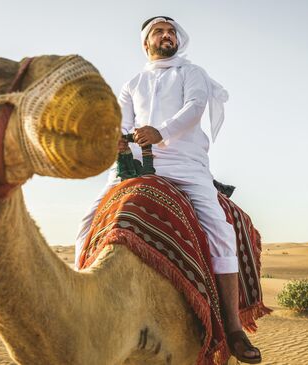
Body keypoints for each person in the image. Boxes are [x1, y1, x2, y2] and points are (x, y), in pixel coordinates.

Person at [74, 16, 261, 363]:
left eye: (171, 31)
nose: (167, 36)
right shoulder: (132, 83)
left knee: (221, 229)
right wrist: (120, 141)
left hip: (186, 164)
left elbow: (194, 109)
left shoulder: (191, 73)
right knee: (87, 222)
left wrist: (160, 131)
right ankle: (77, 309)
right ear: (146, 43)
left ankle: (233, 328)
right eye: (159, 32)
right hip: (138, 163)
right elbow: (126, 125)